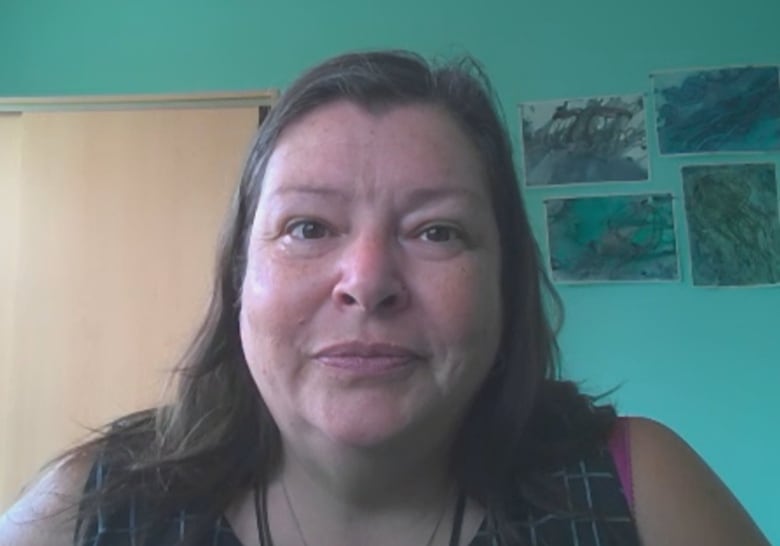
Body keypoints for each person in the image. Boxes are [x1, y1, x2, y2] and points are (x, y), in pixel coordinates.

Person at [0, 50, 769, 546]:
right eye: (307, 226)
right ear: (240, 277)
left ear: (505, 281)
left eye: (436, 232)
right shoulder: (87, 510)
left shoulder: (640, 495)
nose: (366, 280)